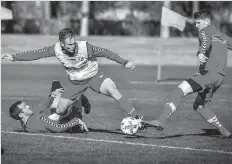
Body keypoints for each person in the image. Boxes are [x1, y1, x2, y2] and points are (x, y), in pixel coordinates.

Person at [2, 28, 142, 124]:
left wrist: (124, 62)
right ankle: (84, 102)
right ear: (62, 44)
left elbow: (106, 52)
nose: (73, 46)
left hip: (94, 76)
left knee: (113, 91)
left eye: (73, 43)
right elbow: (36, 54)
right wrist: (14, 57)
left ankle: (137, 118)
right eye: (69, 44)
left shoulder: (85, 47)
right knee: (59, 110)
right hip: (75, 83)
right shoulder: (55, 49)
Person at [143, 9, 232, 138]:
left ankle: (160, 120)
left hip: (208, 75)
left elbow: (205, 43)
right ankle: (224, 131)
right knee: (199, 105)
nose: (196, 26)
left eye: (198, 23)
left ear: (206, 22)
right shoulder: (223, 37)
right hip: (219, 79)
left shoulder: (204, 31)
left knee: (179, 91)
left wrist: (201, 53)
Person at [9, 82, 89, 133]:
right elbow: (59, 128)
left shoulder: (26, 121)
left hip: (61, 117)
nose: (28, 106)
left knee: (56, 85)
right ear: (21, 115)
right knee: (75, 92)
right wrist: (76, 121)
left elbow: (41, 106)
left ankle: (76, 100)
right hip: (72, 121)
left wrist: (52, 96)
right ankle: (86, 104)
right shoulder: (38, 120)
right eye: (25, 107)